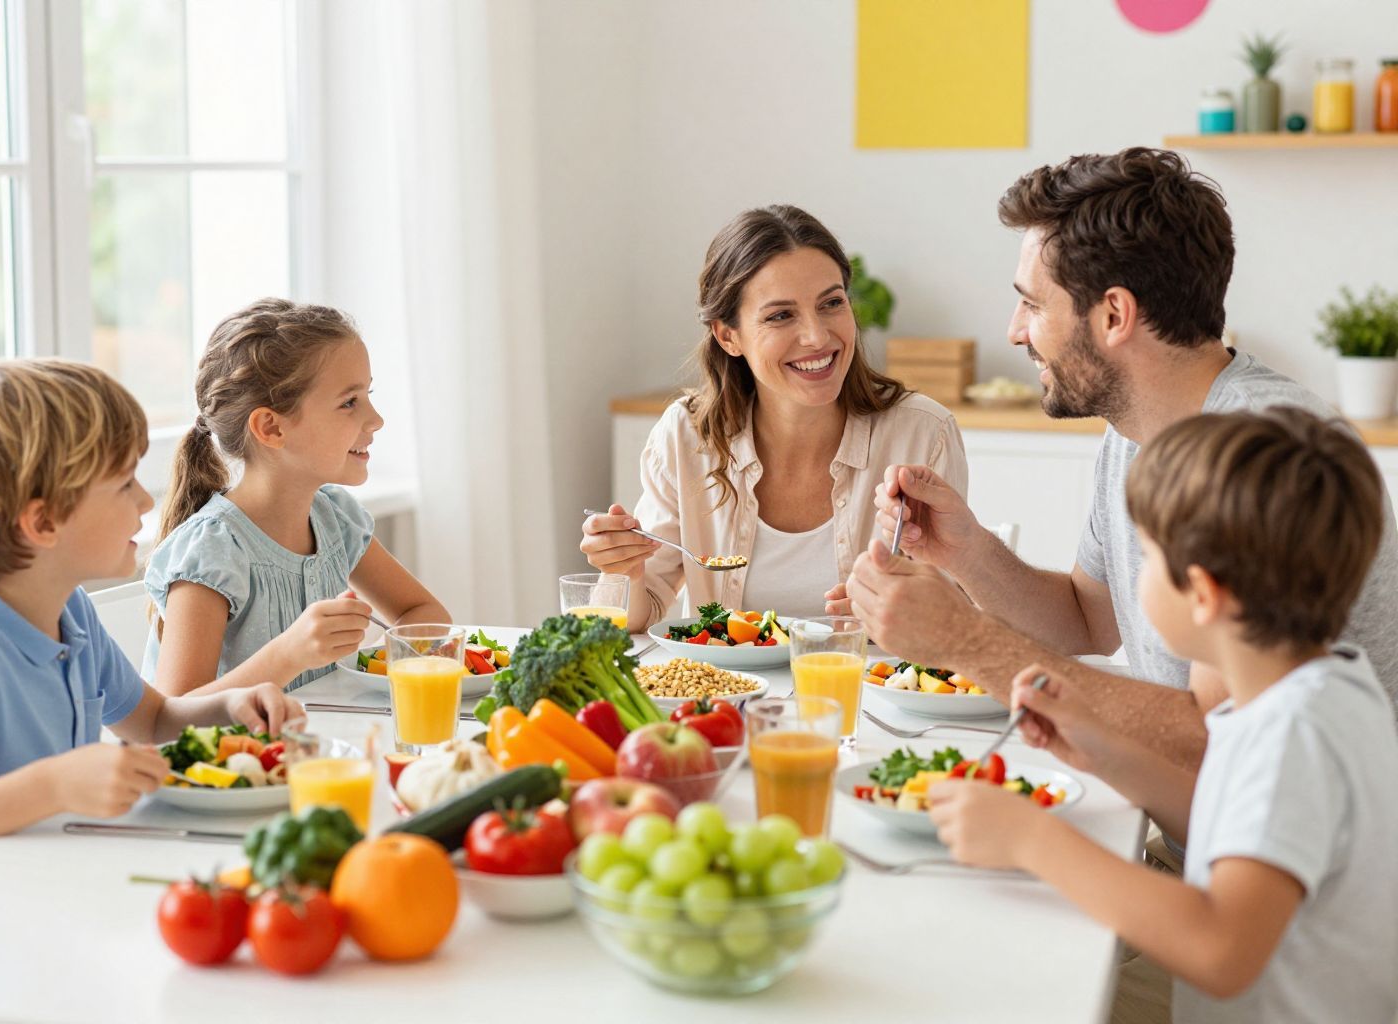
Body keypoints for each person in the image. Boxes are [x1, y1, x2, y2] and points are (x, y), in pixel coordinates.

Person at [844, 148, 1398, 769]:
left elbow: (1214, 743)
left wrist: (966, 641)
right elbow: (1086, 620)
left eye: (1032, 303)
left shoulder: (1257, 460)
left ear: (1114, 314)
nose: (1014, 331)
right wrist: (964, 551)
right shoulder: (1136, 427)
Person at [928, 407, 1398, 1024]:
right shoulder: (1319, 687)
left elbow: (1220, 946)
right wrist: (1101, 750)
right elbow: (1235, 823)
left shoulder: (1294, 735)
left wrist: (1032, 839)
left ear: (1202, 594)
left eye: (1148, 557)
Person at [0, 361, 301, 882]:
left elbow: (153, 721)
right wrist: (51, 786)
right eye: (123, 485)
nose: (145, 500)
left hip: (55, 889)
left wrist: (227, 705)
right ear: (43, 521)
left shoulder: (69, 610)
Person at [582, 204, 968, 632]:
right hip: (727, 697)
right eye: (781, 315)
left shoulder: (921, 434)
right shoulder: (687, 437)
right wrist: (624, 568)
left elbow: (951, 628)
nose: (817, 337)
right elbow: (633, 618)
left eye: (832, 303)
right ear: (728, 336)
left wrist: (904, 612)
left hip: (866, 694)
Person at [144, 298, 448, 695]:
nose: (376, 420)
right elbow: (173, 715)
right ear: (271, 428)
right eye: (349, 402)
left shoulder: (334, 518)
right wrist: (290, 654)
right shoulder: (214, 550)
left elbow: (425, 615)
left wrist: (359, 670)